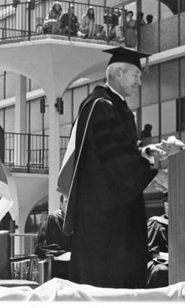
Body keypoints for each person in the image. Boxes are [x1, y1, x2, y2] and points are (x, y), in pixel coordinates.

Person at [65, 47, 168, 288]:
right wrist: (154, 172)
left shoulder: (117, 107)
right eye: (136, 75)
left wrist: (144, 152)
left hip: (116, 205)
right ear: (119, 72)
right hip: (103, 214)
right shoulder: (99, 106)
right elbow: (112, 161)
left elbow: (120, 151)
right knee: (107, 281)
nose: (140, 82)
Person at [35, 195, 71, 279]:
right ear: (61, 204)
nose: (69, 205)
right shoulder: (53, 218)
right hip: (58, 261)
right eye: (66, 202)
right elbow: (42, 246)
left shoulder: (77, 220)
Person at [147, 192, 169, 288]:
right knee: (161, 271)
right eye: (168, 205)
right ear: (164, 205)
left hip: (180, 263)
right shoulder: (156, 223)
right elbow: (151, 253)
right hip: (159, 263)